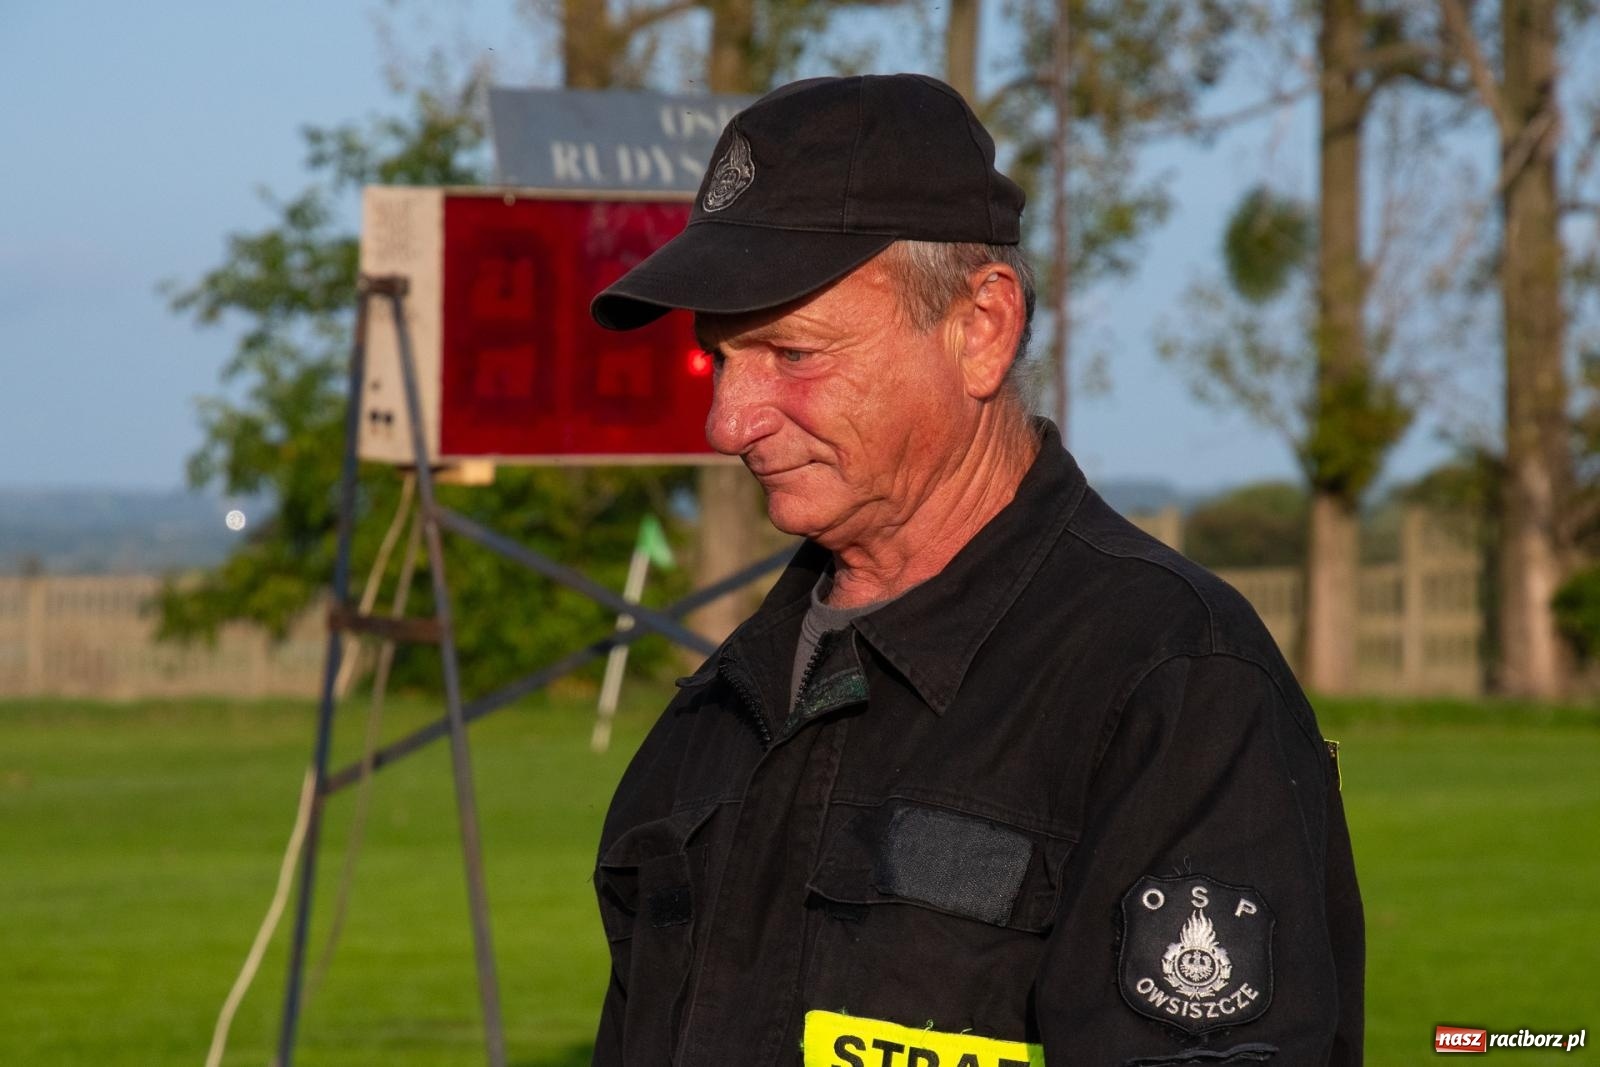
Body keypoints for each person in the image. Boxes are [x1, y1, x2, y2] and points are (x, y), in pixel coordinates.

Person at [587, 73, 1363, 1067]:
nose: (727, 422)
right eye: (718, 359)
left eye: (789, 351)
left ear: (980, 328)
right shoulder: (716, 713)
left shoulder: (1170, 683)